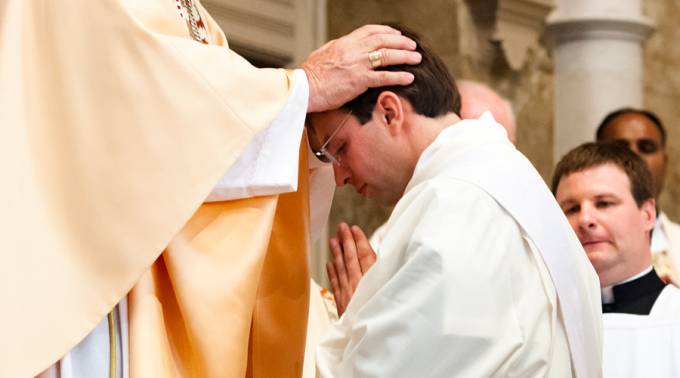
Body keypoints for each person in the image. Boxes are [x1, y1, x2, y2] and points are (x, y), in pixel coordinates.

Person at [1, 0, 423, 376]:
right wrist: (302, 89)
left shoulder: (194, 14)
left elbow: (208, 139)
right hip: (93, 286)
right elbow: (144, 120)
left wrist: (302, 120)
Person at [306, 26, 601, 377]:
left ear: (388, 112)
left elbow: (387, 371)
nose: (339, 177)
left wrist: (360, 322)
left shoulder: (456, 204)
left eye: (338, 148)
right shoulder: (510, 182)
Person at [552, 142, 680, 377]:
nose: (585, 219)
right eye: (571, 209)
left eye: (604, 203)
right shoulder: (544, 326)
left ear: (648, 214)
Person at [596, 108, 680, 285]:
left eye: (646, 147)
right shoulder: (573, 245)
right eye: (619, 148)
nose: (634, 155)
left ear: (665, 162)